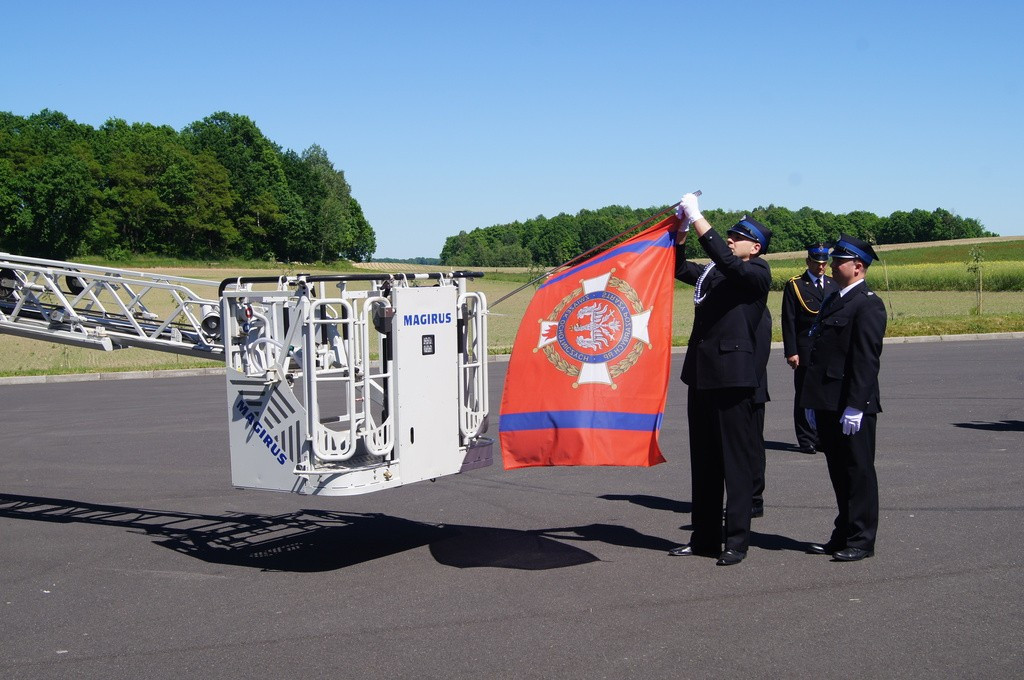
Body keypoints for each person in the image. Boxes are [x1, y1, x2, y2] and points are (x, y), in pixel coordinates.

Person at [668, 192, 772, 566]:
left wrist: (699, 218)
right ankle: (705, 537)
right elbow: (679, 267)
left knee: (735, 463)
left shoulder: (757, 272)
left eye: (738, 237)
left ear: (755, 247)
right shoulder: (714, 272)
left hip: (733, 379)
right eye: (728, 235)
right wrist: (681, 230)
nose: (730, 239)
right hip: (702, 375)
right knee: (705, 462)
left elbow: (728, 263)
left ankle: (737, 540)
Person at [800, 234, 886, 562]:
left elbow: (866, 360)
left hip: (851, 405)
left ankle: (862, 539)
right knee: (839, 472)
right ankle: (843, 533)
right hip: (828, 401)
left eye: (839, 261)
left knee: (858, 472)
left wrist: (856, 405)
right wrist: (812, 402)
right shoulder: (835, 299)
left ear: (858, 266)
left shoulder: (868, 304)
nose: (833, 266)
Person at [781, 244, 840, 454]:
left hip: (827, 349)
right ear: (808, 262)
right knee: (805, 396)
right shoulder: (796, 285)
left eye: (824, 263)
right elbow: (789, 321)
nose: (821, 267)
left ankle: (822, 436)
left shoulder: (833, 284)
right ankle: (806, 439)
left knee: (824, 395)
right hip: (805, 348)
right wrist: (791, 351)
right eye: (817, 263)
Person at [751, 305, 771, 518]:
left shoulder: (758, 309)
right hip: (735, 389)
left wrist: (748, 384)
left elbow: (761, 350)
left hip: (751, 390)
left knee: (753, 447)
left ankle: (754, 499)